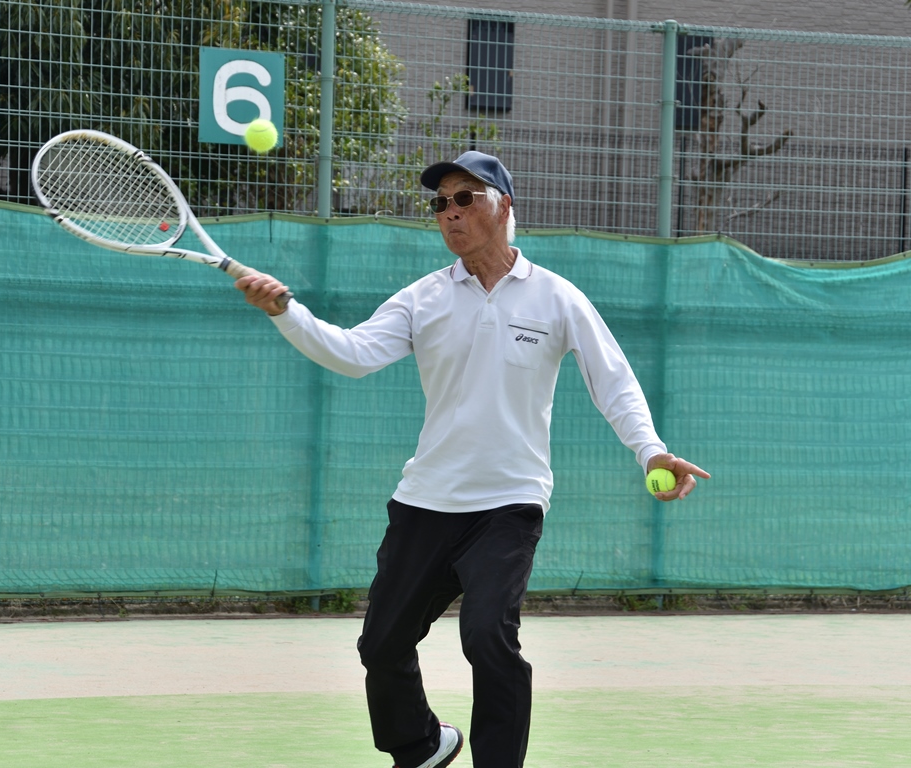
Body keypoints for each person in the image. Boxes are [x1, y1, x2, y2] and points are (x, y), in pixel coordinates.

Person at [235, 151, 710, 768]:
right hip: (424, 503)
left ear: (504, 206)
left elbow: (612, 381)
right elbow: (353, 354)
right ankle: (421, 746)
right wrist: (286, 312)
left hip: (509, 504)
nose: (450, 212)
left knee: (488, 636)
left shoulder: (557, 297)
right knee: (381, 645)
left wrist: (651, 450)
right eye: (440, 203)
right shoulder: (423, 298)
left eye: (465, 198)